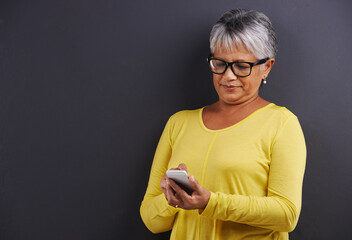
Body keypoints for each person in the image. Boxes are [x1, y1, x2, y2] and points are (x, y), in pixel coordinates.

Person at [140, 8, 306, 240]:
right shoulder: (178, 123)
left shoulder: (281, 124)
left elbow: (287, 214)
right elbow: (152, 221)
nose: (228, 76)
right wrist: (175, 198)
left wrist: (210, 202)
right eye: (219, 63)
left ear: (266, 67)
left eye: (241, 66)